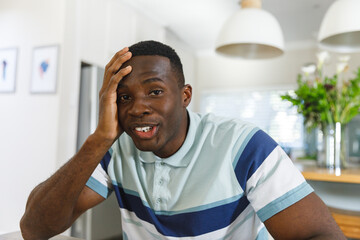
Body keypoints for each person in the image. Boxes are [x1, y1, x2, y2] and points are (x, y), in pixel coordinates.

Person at [20, 40, 345, 240]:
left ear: (185, 95)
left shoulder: (244, 146)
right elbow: (34, 230)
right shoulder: (114, 149)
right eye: (123, 97)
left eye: (155, 91)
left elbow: (320, 235)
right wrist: (99, 138)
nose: (138, 107)